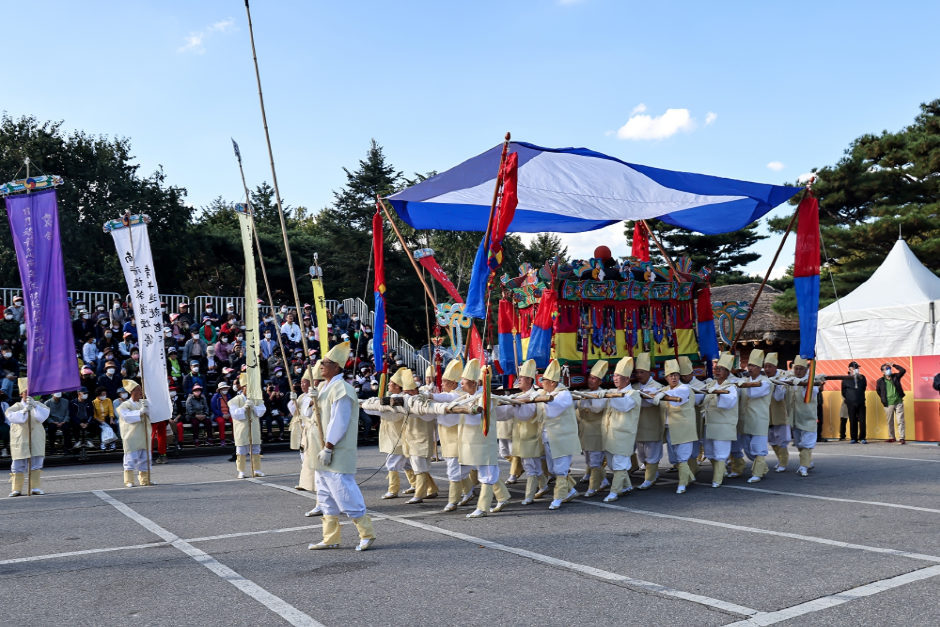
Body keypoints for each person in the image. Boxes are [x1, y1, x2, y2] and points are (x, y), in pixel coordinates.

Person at [306, 341, 376, 551]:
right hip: (321, 450)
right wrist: (310, 402)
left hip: (334, 449)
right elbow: (310, 416)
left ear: (336, 366)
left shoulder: (342, 389)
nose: (320, 366)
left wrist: (329, 446)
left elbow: (340, 421)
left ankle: (367, 533)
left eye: (324, 363)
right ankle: (331, 538)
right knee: (325, 494)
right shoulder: (321, 386)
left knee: (344, 492)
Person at [600, 356, 643, 502]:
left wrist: (607, 395)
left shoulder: (634, 394)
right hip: (610, 435)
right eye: (615, 375)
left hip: (624, 436)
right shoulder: (612, 391)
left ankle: (614, 492)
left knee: (619, 463)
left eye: (619, 376)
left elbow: (623, 405)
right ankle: (627, 485)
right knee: (612, 464)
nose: (616, 378)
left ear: (627, 379)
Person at [5, 379, 49, 496]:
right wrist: (24, 411)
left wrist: (35, 406)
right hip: (21, 439)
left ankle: (35, 487)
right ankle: (16, 489)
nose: (29, 395)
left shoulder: (40, 405)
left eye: (31, 393)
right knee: (18, 463)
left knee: (36, 462)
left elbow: (42, 417)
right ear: (21, 394)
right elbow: (12, 417)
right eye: (26, 392)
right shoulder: (15, 406)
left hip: (36, 437)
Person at [702, 354, 739, 488]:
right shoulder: (710, 384)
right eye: (717, 368)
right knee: (709, 451)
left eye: (721, 369)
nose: (717, 370)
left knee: (720, 452)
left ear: (727, 372)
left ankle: (717, 479)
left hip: (723, 425)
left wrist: (718, 392)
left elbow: (727, 403)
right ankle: (721, 471)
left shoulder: (731, 387)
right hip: (710, 423)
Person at [740, 350, 774, 483]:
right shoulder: (744, 381)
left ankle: (758, 473)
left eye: (753, 366)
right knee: (748, 448)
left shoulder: (765, 382)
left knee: (758, 447)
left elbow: (753, 394)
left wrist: (742, 383)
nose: (750, 368)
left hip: (760, 419)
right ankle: (763, 468)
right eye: (749, 365)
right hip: (746, 419)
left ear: (760, 368)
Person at [634, 352, 666, 490]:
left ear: (649, 372)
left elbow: (648, 402)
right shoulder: (634, 387)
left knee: (652, 453)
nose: (639, 375)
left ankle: (650, 479)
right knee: (641, 455)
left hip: (652, 425)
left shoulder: (657, 386)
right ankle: (652, 473)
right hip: (639, 426)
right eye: (637, 372)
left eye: (642, 372)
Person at [577, 361, 610, 497]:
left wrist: (588, 399)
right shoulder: (583, 393)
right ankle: (604, 481)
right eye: (590, 377)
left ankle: (592, 487)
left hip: (597, 431)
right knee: (589, 460)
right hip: (585, 431)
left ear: (600, 381)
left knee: (595, 460)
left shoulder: (603, 394)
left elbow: (597, 408)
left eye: (594, 378)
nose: (591, 380)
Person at [116, 380, 153, 487]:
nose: (141, 391)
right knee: (131, 458)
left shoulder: (144, 402)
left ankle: (145, 480)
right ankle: (129, 481)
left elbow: (152, 416)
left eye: (141, 389)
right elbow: (127, 417)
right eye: (138, 389)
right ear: (132, 391)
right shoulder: (125, 405)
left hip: (144, 434)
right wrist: (141, 412)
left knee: (146, 458)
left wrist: (148, 408)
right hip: (132, 436)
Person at [230, 373, 266, 478]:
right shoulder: (235, 400)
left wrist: (254, 407)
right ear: (242, 387)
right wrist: (244, 408)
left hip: (254, 427)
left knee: (255, 449)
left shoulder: (257, 399)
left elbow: (261, 411)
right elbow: (235, 414)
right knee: (241, 451)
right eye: (247, 386)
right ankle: (241, 471)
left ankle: (257, 469)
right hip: (241, 428)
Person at [762, 352, 792, 472]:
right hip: (767, 413)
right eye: (766, 366)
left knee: (782, 439)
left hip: (779, 413)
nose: (767, 369)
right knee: (772, 440)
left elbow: (779, 397)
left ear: (775, 367)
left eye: (770, 366)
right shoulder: (763, 378)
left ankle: (784, 462)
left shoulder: (782, 378)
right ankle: (780, 459)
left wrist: (773, 384)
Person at [791, 357, 821, 476]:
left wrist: (804, 384)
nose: (798, 371)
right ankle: (808, 462)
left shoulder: (813, 381)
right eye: (796, 369)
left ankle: (803, 467)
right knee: (799, 444)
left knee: (806, 444)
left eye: (801, 369)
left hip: (808, 418)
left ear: (806, 369)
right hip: (795, 417)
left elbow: (808, 396)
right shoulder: (791, 379)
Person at [876, 361, 907, 444]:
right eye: (887, 369)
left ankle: (902, 438)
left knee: (900, 420)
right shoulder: (880, 381)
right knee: (890, 421)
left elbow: (903, 370)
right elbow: (878, 391)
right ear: (883, 371)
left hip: (898, 402)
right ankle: (892, 437)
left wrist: (894, 365)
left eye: (889, 368)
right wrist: (883, 398)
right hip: (888, 403)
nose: (889, 370)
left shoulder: (895, 377)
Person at [840, 361, 868, 443]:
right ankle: (854, 438)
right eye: (854, 368)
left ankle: (862, 437)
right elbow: (843, 392)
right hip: (850, 402)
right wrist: (849, 399)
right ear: (849, 369)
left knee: (862, 420)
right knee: (852, 420)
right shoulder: (845, 379)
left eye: (857, 368)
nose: (856, 369)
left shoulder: (862, 378)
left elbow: (863, 388)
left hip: (861, 401)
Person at [211, 381, 233, 447]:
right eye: (223, 389)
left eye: (226, 388)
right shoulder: (215, 397)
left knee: (235, 421)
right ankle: (222, 440)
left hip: (228, 414)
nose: (225, 390)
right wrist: (222, 415)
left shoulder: (229, 396)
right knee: (221, 422)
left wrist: (229, 413)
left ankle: (234, 438)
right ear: (220, 390)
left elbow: (232, 406)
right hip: (219, 415)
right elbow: (213, 408)